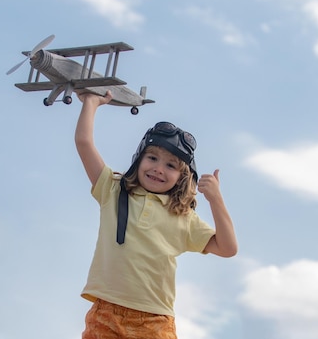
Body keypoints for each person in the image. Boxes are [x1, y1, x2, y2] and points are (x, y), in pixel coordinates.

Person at [75, 90, 238, 339]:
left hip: (154, 321)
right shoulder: (113, 189)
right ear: (139, 159)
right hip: (105, 315)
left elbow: (228, 248)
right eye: (152, 158)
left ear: (182, 177)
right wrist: (91, 103)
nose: (158, 169)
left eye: (171, 165)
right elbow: (84, 143)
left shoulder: (182, 216)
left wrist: (216, 200)